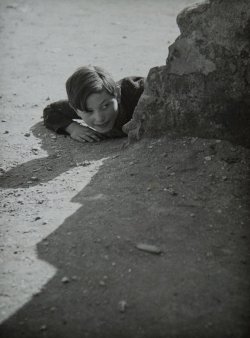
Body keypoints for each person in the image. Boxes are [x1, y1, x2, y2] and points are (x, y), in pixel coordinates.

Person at [43, 65, 145, 143]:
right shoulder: (81, 103)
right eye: (89, 111)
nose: (100, 118)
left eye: (105, 106)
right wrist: (72, 128)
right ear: (75, 109)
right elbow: (50, 110)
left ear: (117, 95)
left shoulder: (137, 94)